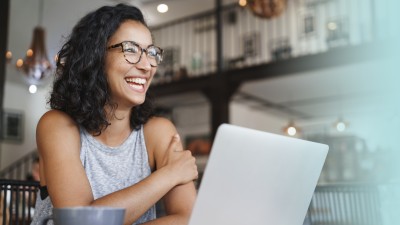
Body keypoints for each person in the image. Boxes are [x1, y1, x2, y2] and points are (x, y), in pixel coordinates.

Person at [31, 4, 198, 225]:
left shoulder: (159, 132)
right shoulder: (57, 125)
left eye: (151, 52)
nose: (147, 65)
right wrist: (169, 175)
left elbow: (188, 218)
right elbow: (80, 222)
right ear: (96, 56)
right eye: (130, 49)